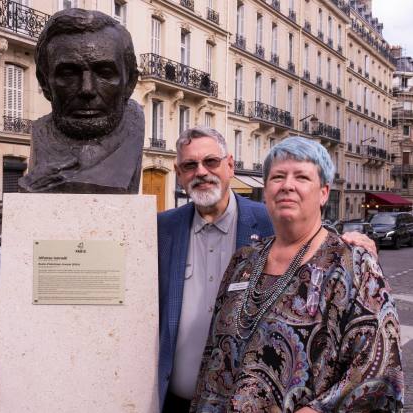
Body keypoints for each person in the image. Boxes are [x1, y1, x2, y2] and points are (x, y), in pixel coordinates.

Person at [157, 127, 377, 412]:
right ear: (178, 172)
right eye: (190, 165)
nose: (201, 171)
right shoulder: (162, 230)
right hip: (180, 400)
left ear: (230, 165)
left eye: (211, 161)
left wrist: (355, 245)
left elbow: (311, 234)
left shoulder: (267, 218)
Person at [19, 8, 144, 194]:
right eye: (69, 73)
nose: (87, 89)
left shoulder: (134, 128)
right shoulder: (40, 133)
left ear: (130, 82)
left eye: (104, 73)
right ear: (44, 83)